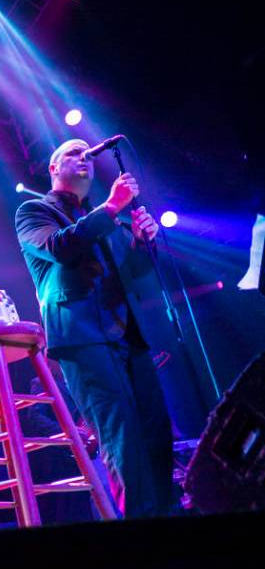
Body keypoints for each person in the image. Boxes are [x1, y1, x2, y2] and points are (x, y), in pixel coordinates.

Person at [14, 139, 174, 519]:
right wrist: (112, 206)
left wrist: (140, 242)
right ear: (53, 169)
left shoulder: (107, 220)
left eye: (88, 151)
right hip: (83, 338)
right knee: (122, 438)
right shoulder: (34, 211)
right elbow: (59, 246)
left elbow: (133, 274)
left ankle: (170, 521)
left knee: (156, 431)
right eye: (73, 152)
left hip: (126, 334)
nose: (84, 156)